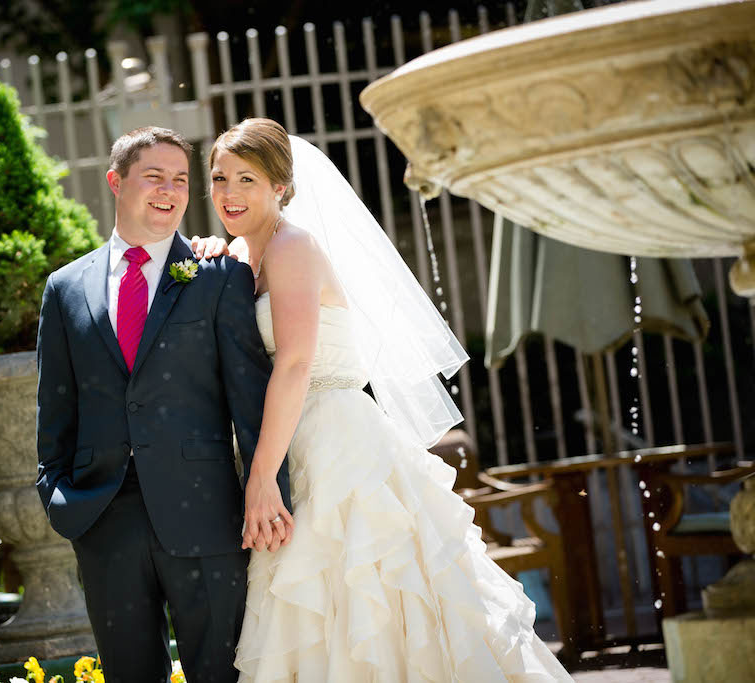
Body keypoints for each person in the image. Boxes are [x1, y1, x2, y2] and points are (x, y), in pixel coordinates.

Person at [196, 118, 573, 682]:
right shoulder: (243, 254)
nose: (229, 193)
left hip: (334, 444)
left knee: (368, 601)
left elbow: (296, 364)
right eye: (220, 178)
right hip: (291, 437)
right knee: (317, 611)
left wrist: (261, 478)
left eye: (247, 179)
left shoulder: (292, 247)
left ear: (280, 186)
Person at [35, 126, 292, 683]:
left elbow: (251, 400)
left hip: (206, 519)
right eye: (154, 176)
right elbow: (55, 409)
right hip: (103, 520)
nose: (170, 190)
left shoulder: (218, 274)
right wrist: (59, 496)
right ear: (115, 181)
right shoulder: (64, 288)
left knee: (222, 675)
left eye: (180, 180)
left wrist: (270, 496)